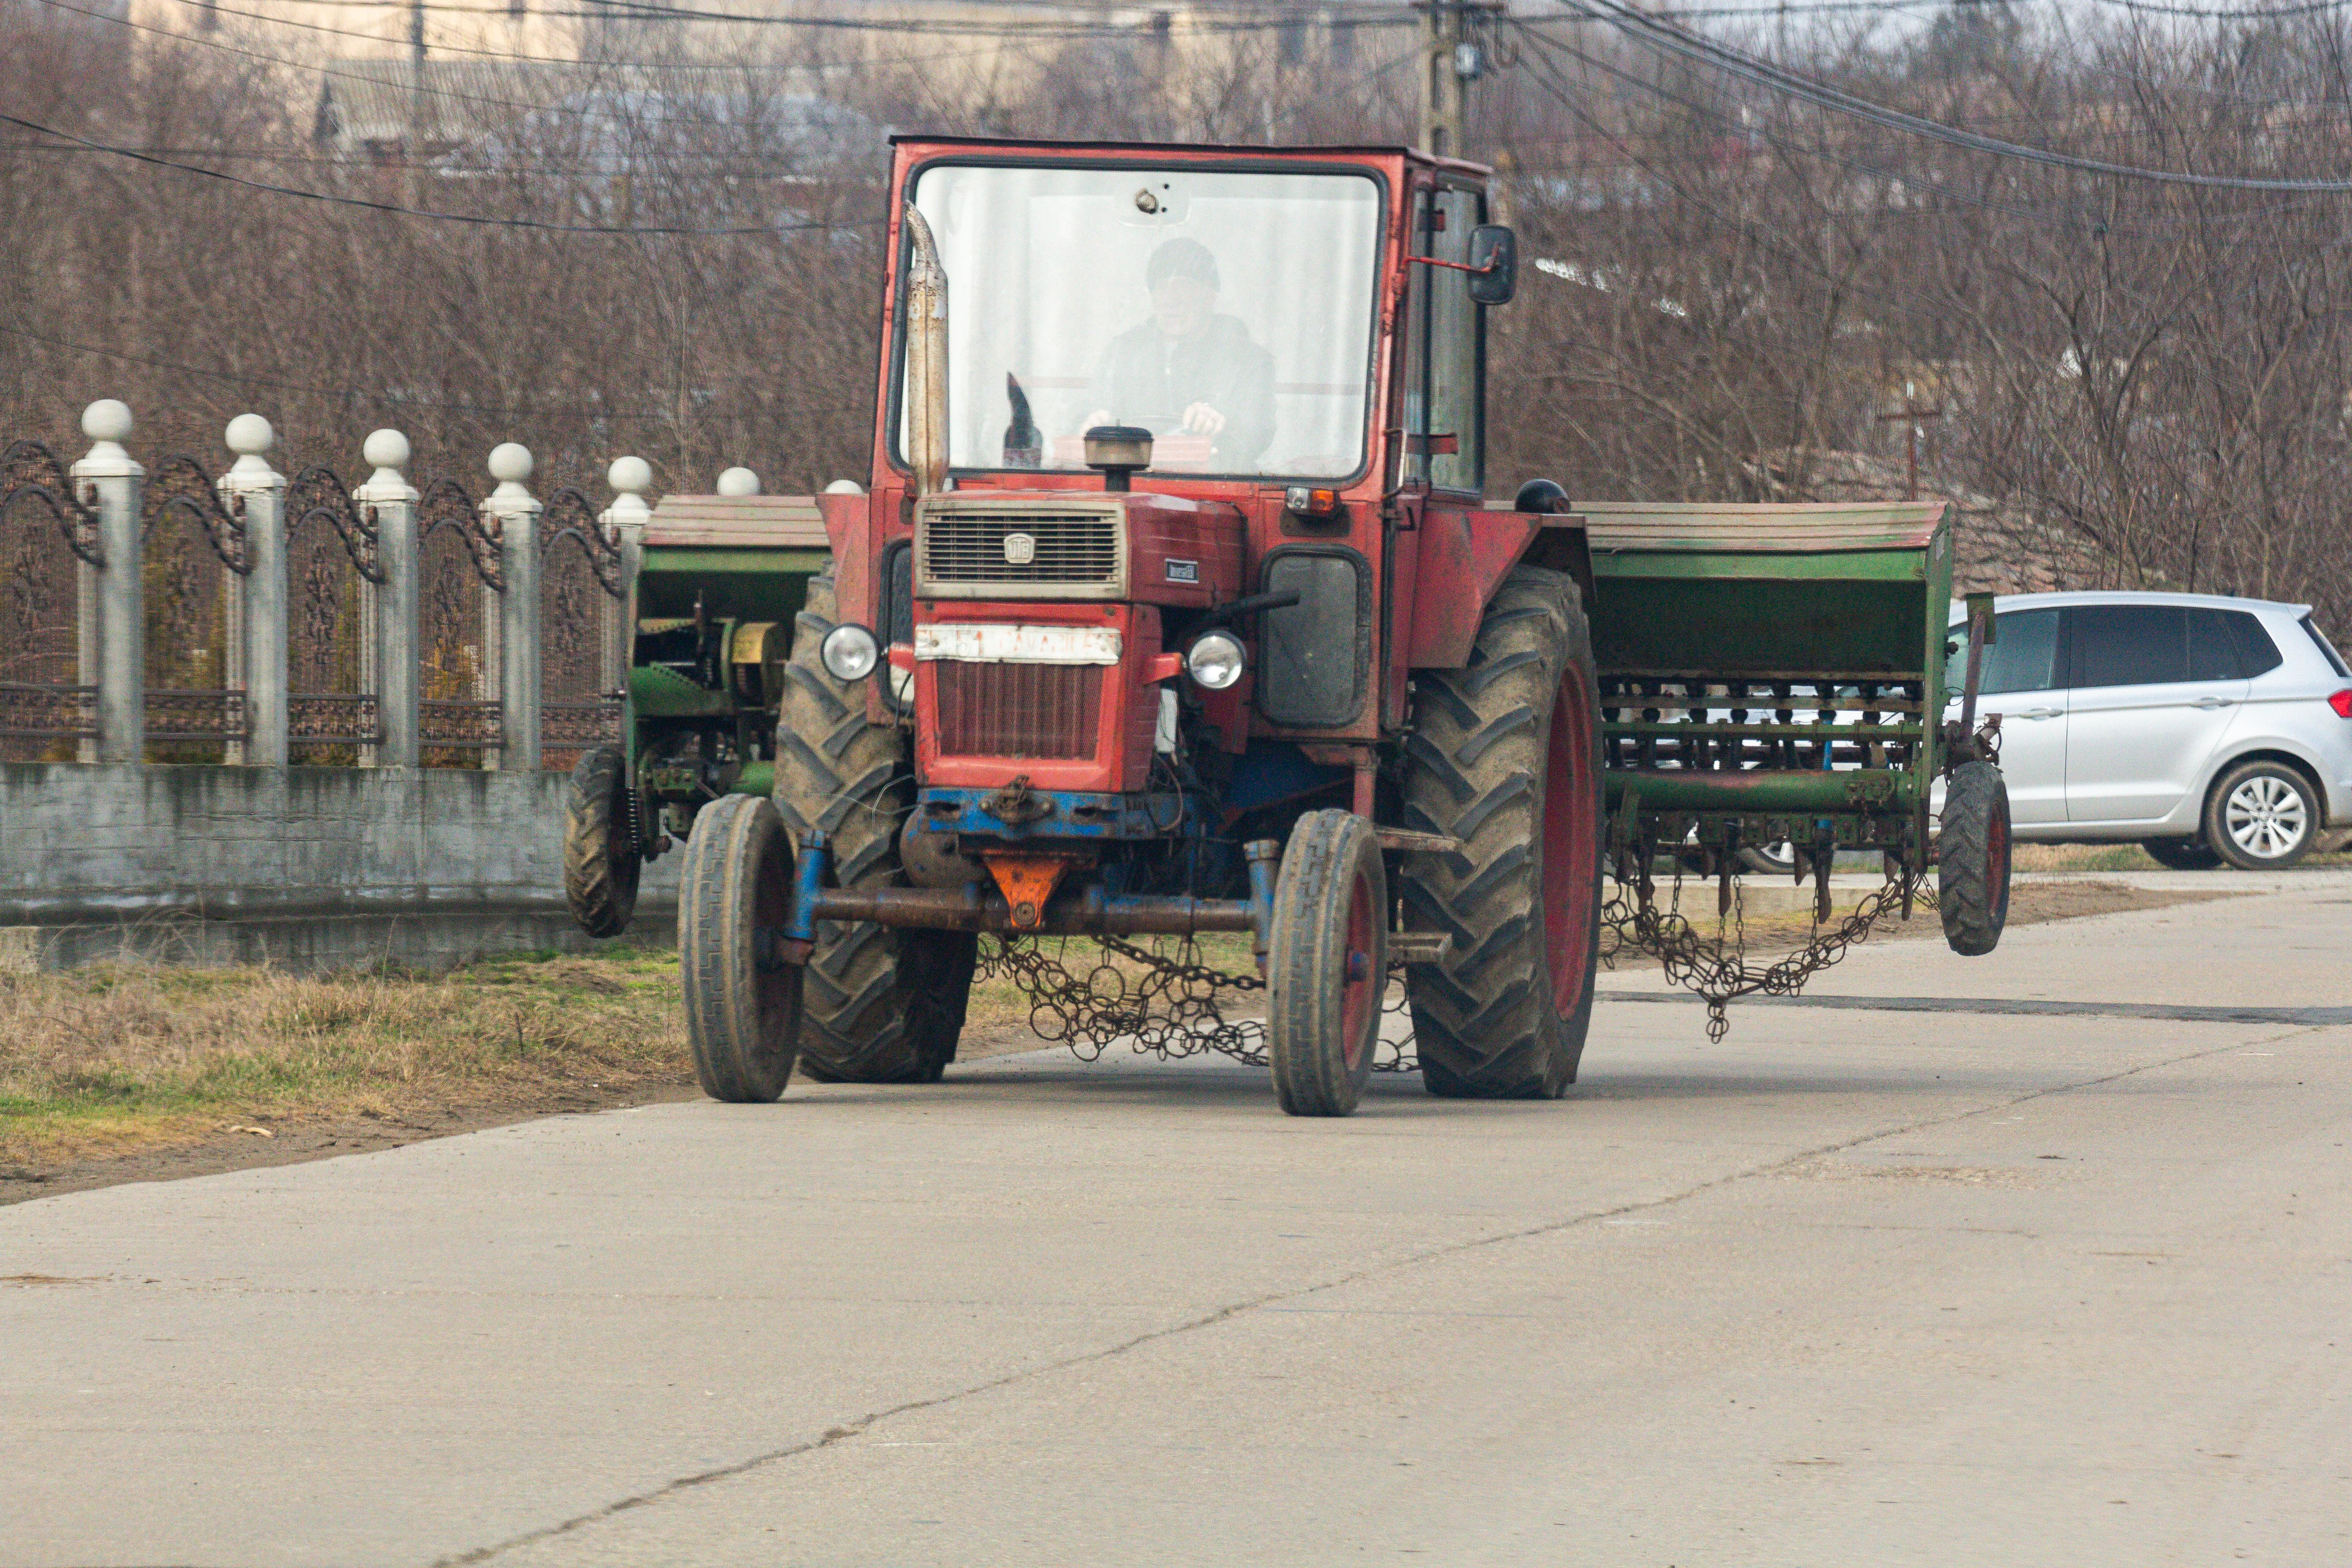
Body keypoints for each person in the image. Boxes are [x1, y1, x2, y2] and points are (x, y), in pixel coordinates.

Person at [1083, 238, 1275, 470]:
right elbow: (1083, 416)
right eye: (1162, 287)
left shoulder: (1249, 361)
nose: (1170, 300)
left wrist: (1222, 422)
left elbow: (1257, 434)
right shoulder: (1120, 353)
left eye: (1184, 286)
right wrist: (1092, 423)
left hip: (1212, 486)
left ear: (1211, 296)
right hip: (1129, 480)